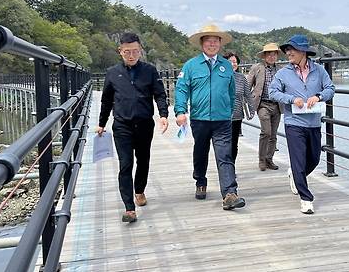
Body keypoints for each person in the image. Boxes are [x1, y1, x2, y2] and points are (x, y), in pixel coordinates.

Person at [97, 32, 169, 223]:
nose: (131, 55)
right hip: (122, 125)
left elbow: (160, 94)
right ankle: (129, 208)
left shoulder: (150, 70)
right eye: (127, 51)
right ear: (120, 51)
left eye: (135, 51)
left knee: (143, 160)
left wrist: (163, 115)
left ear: (140, 51)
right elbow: (106, 100)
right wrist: (101, 124)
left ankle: (139, 190)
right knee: (126, 164)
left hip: (145, 124)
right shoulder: (112, 73)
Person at [174, 24, 246, 211]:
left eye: (216, 41)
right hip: (200, 118)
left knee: (225, 155)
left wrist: (228, 110)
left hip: (222, 120)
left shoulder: (226, 66)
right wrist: (180, 111)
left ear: (220, 44)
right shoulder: (191, 66)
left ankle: (230, 193)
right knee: (200, 151)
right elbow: (182, 89)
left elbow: (231, 92)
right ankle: (200, 180)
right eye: (208, 41)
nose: (212, 44)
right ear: (202, 43)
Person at [268, 35, 335, 215]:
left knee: (314, 158)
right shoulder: (282, 73)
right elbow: (272, 92)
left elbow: (330, 88)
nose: (288, 53)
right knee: (298, 160)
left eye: (292, 49)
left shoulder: (320, 71)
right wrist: (291, 99)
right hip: (294, 122)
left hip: (313, 122)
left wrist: (319, 96)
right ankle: (306, 199)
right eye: (287, 50)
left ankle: (296, 175)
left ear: (303, 52)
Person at [247, 43, 283, 171]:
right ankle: (261, 160)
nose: (272, 56)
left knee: (273, 135)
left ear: (277, 56)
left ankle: (269, 159)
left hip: (277, 105)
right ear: (264, 56)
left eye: (274, 54)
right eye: (269, 54)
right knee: (266, 132)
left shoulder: (280, 70)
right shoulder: (257, 68)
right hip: (263, 104)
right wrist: (247, 103)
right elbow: (248, 85)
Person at [224, 52, 255, 162]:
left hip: (237, 115)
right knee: (223, 144)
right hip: (222, 116)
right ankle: (224, 167)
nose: (233, 64)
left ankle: (231, 167)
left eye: (235, 62)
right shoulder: (219, 77)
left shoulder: (241, 78)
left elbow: (248, 95)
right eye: (230, 62)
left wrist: (252, 111)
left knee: (233, 143)